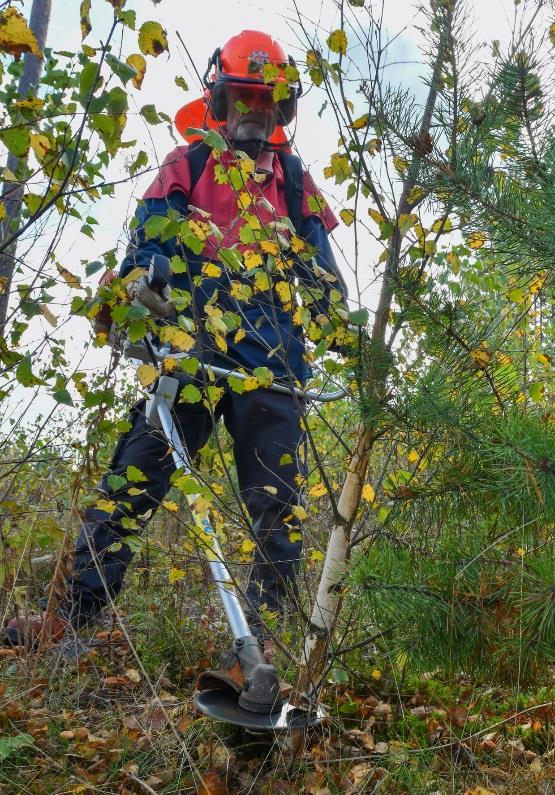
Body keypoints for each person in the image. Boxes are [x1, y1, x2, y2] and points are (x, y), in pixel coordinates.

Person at [5, 30, 349, 661]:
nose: (251, 111)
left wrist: (340, 327)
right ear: (217, 102)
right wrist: (145, 289)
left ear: (282, 110)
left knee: (277, 507)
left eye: (264, 100)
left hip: (271, 363)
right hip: (188, 352)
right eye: (239, 98)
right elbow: (147, 248)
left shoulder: (296, 185)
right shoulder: (184, 166)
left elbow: (326, 280)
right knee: (132, 481)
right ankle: (71, 617)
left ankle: (262, 648)